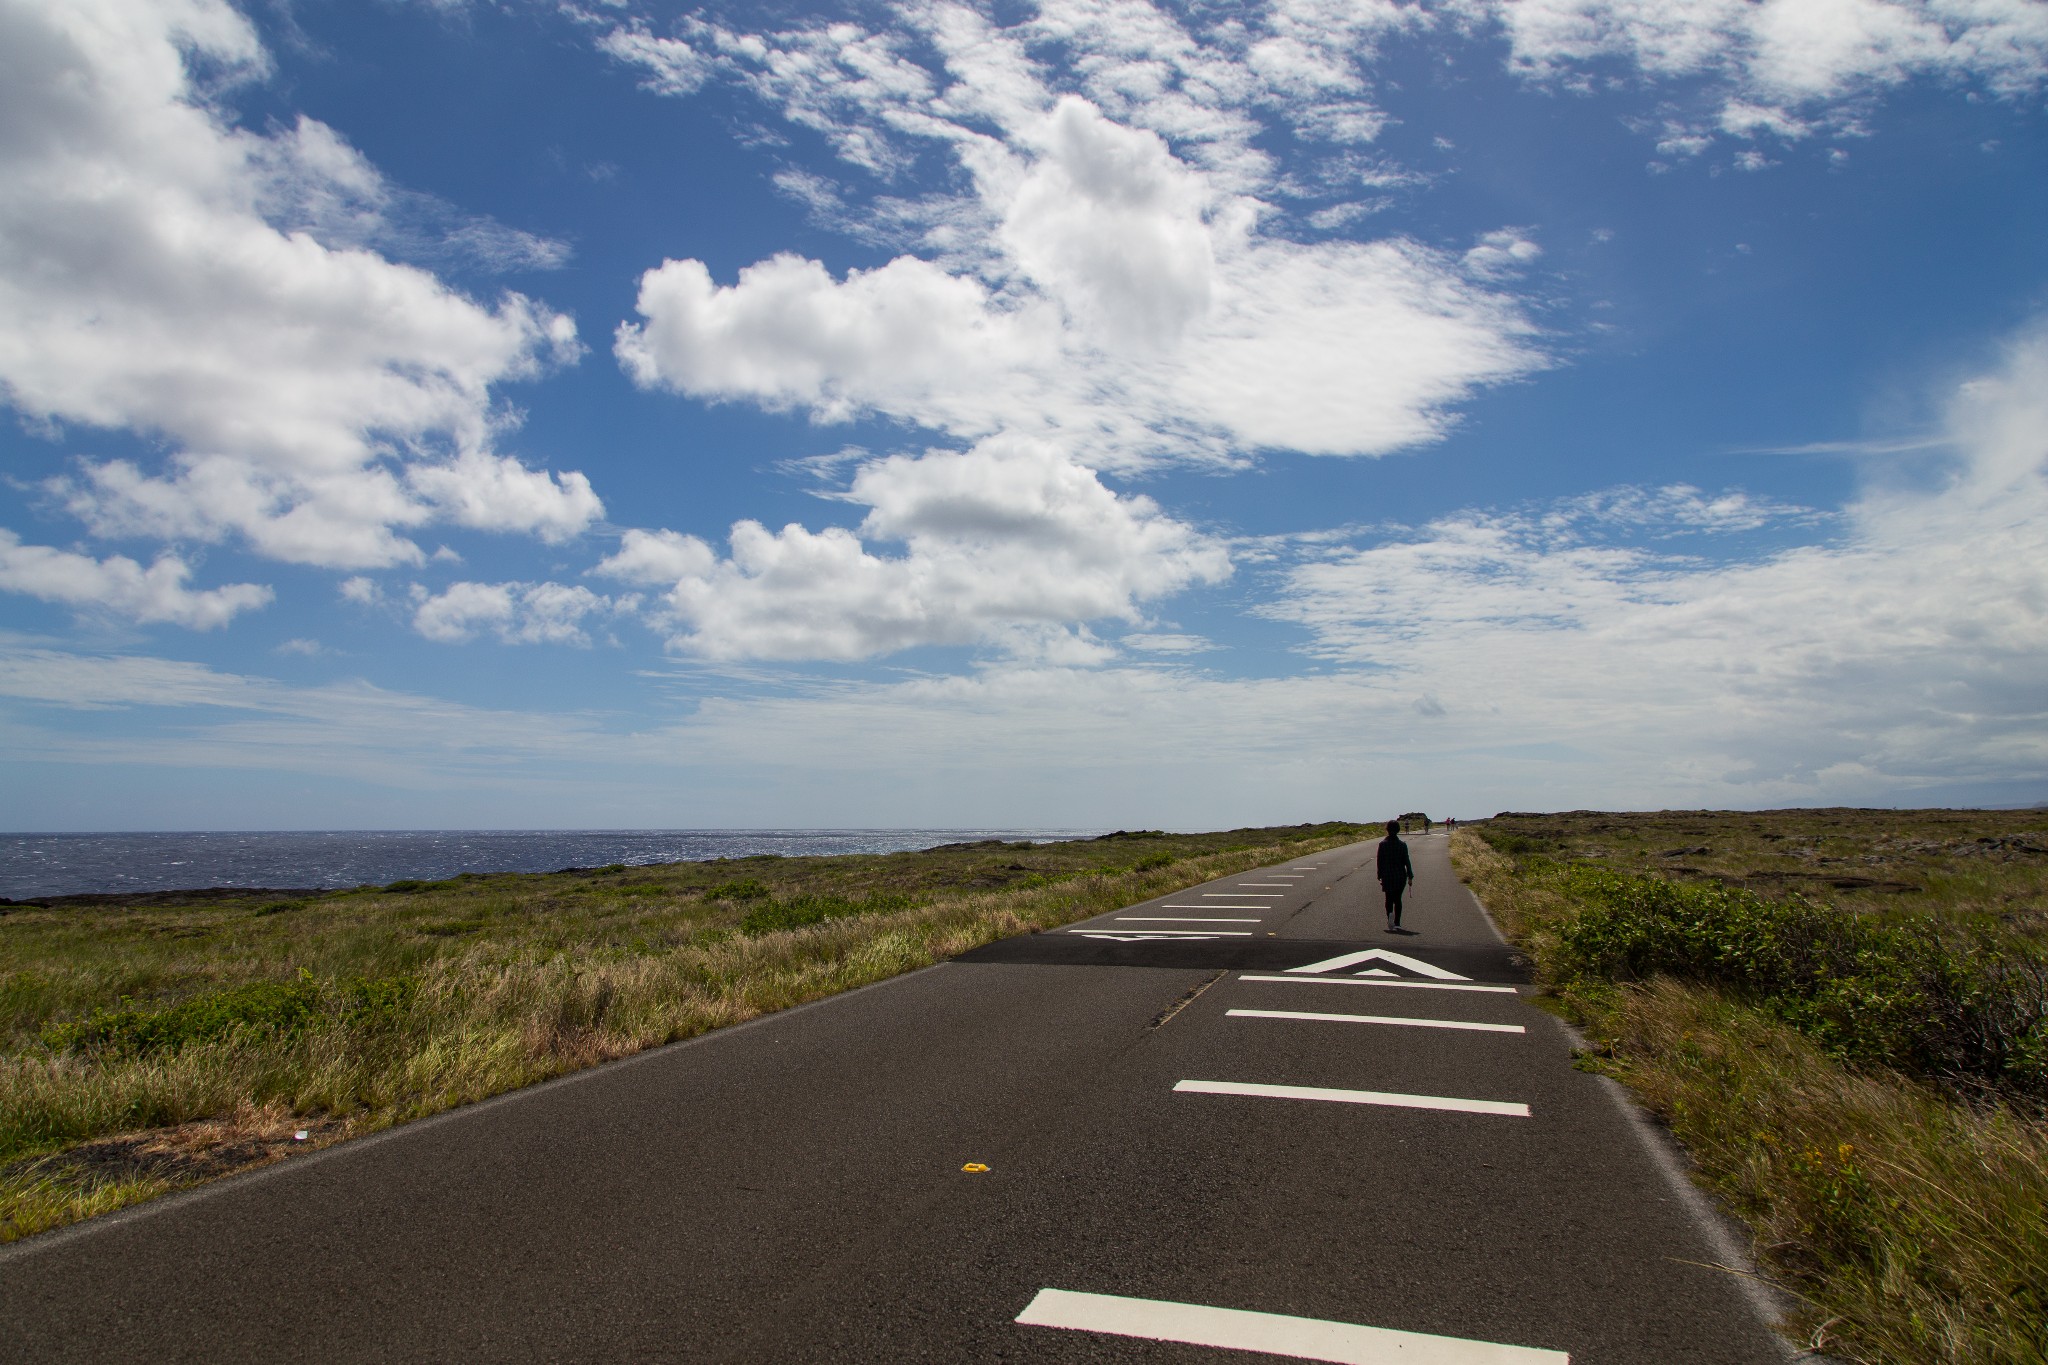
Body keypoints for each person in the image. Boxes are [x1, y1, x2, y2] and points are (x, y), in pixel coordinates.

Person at [1377, 818, 1414, 932]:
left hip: (1387, 875)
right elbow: (1406, 861)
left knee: (1388, 899)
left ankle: (1390, 917)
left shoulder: (1383, 844)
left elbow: (1380, 861)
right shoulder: (1402, 845)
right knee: (1398, 899)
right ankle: (1397, 923)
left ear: (1387, 830)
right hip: (1400, 875)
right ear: (1398, 830)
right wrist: (1410, 875)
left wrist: (1379, 874)